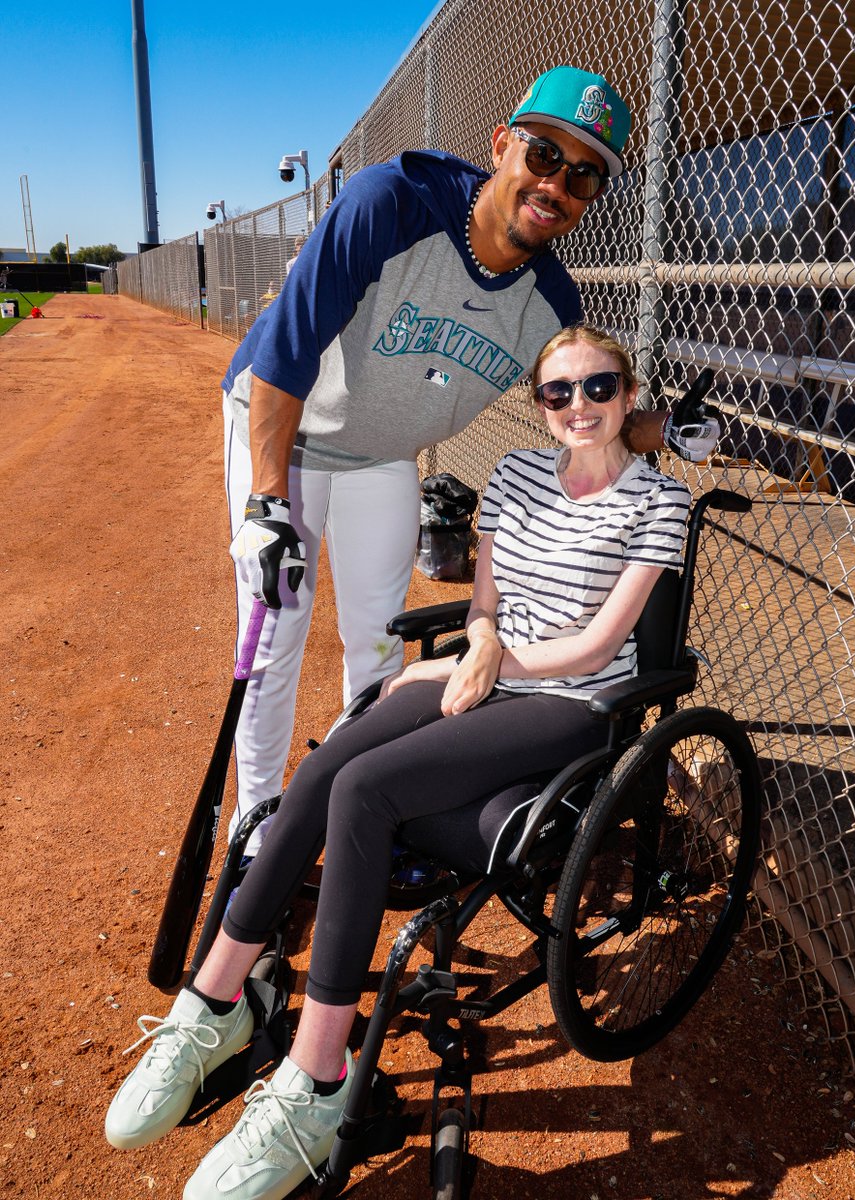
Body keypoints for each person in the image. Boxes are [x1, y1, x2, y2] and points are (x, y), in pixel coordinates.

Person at [105, 323, 693, 1199]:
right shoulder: (516, 475)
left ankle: (318, 1080)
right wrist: (474, 647)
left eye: (599, 387)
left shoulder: (659, 500)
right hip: (486, 671)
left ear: (629, 394)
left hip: (570, 706)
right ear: (540, 404)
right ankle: (213, 1005)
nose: (579, 406)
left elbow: (601, 647)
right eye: (558, 391)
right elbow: (485, 603)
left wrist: (479, 665)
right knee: (321, 771)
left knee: (366, 789)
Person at [222, 63, 719, 857]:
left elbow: (580, 413)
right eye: (544, 155)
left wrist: (662, 428)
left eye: (583, 175)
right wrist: (268, 502)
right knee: (277, 631)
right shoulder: (390, 203)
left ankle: (358, 822)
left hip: (383, 458)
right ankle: (256, 834)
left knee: (378, 642)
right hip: (286, 427)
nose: (556, 184)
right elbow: (284, 351)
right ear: (501, 145)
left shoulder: (551, 303)